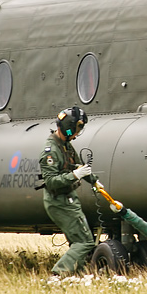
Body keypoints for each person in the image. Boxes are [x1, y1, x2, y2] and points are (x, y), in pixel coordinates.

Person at [39, 106, 97, 275]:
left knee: (78, 241)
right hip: (59, 201)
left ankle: (76, 276)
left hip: (68, 198)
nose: (77, 133)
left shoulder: (66, 146)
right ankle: (58, 274)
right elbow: (50, 182)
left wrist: (94, 182)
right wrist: (75, 175)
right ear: (69, 126)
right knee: (85, 242)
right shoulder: (51, 151)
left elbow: (78, 167)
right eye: (78, 129)